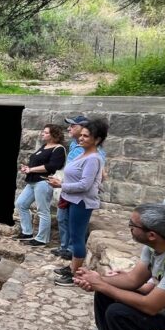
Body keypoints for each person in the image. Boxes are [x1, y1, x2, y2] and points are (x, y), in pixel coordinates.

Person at [48, 118, 107, 284]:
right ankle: (74, 266)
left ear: (97, 139)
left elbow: (85, 185)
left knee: (77, 238)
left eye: (86, 136)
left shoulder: (93, 158)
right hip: (73, 199)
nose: (81, 138)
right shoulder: (83, 153)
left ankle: (75, 275)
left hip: (81, 202)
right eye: (81, 135)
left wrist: (61, 184)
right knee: (74, 236)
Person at [14, 124, 66, 247]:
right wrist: (27, 168)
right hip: (32, 181)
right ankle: (27, 232)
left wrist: (31, 169)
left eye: (46, 132)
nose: (43, 134)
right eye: (43, 132)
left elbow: (52, 166)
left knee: (43, 210)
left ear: (54, 135)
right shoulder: (44, 146)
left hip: (43, 182)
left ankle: (42, 239)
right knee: (21, 204)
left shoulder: (58, 149)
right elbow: (35, 163)